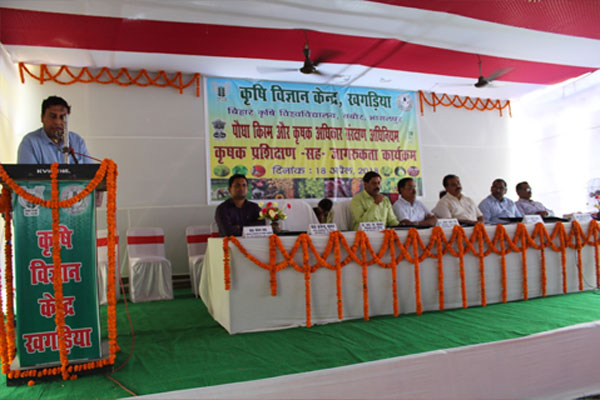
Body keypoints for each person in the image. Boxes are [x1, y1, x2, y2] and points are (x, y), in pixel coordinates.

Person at [17, 96, 93, 164]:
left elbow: (90, 172)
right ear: (42, 118)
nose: (57, 122)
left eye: (62, 117)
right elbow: (28, 175)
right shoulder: (30, 142)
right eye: (53, 116)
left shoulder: (77, 141)